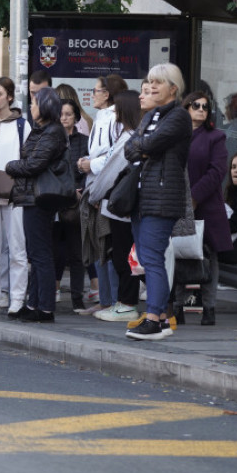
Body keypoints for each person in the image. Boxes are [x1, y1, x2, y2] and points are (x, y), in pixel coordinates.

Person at [122, 63, 191, 341]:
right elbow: (130, 149)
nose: (150, 87)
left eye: (157, 83)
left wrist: (144, 146)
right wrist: (144, 145)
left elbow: (147, 146)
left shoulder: (178, 117)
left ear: (173, 89)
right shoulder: (150, 116)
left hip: (162, 198)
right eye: (149, 81)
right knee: (148, 258)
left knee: (152, 258)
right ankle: (159, 317)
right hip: (143, 197)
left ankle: (154, 317)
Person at [3, 87, 67, 322]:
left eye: (34, 103)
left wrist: (10, 166)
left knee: (40, 253)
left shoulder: (52, 132)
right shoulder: (43, 130)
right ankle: (33, 304)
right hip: (31, 195)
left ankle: (45, 307)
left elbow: (34, 164)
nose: (31, 107)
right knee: (36, 252)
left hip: (40, 197)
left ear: (46, 106)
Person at [175, 90, 231, 326]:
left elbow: (217, 171)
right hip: (178, 202)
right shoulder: (177, 135)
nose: (200, 109)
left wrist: (195, 196)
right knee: (179, 253)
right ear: (186, 107)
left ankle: (209, 308)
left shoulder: (215, 136)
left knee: (208, 257)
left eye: (204, 106)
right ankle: (177, 306)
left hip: (206, 204)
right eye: (195, 105)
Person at [90, 91, 144, 323]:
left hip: (122, 207)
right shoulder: (126, 136)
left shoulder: (130, 138)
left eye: (116, 109)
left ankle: (126, 303)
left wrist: (94, 194)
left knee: (124, 257)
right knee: (120, 256)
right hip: (117, 207)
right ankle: (122, 302)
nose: (113, 114)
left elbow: (110, 172)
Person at [77, 74, 129, 310]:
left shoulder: (116, 119)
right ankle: (105, 300)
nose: (92, 94)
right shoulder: (100, 117)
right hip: (94, 186)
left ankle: (114, 299)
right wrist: (86, 162)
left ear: (106, 94)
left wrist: (92, 165)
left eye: (96, 90)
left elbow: (115, 155)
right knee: (98, 245)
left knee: (108, 244)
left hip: (107, 189)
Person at [0, 77, 29, 316]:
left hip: (14, 197)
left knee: (17, 249)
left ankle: (17, 297)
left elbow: (28, 161)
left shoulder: (21, 125)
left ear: (9, 96)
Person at [53, 98, 88, 310]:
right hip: (55, 201)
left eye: (68, 114)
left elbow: (88, 168)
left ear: (76, 116)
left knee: (77, 253)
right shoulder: (52, 139)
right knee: (55, 252)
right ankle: (51, 293)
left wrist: (79, 191)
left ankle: (77, 298)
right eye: (61, 114)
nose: (64, 118)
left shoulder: (83, 140)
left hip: (76, 202)